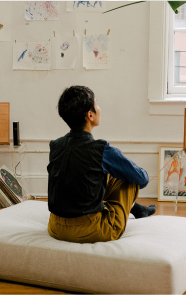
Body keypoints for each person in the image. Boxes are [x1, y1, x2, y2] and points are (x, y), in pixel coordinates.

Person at [47, 86, 157, 244]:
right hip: (90, 230)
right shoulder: (101, 149)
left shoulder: (55, 145)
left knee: (95, 173)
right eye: (97, 104)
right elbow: (142, 179)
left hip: (55, 227)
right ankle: (132, 207)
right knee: (128, 179)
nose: (100, 108)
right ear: (90, 115)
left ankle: (136, 208)